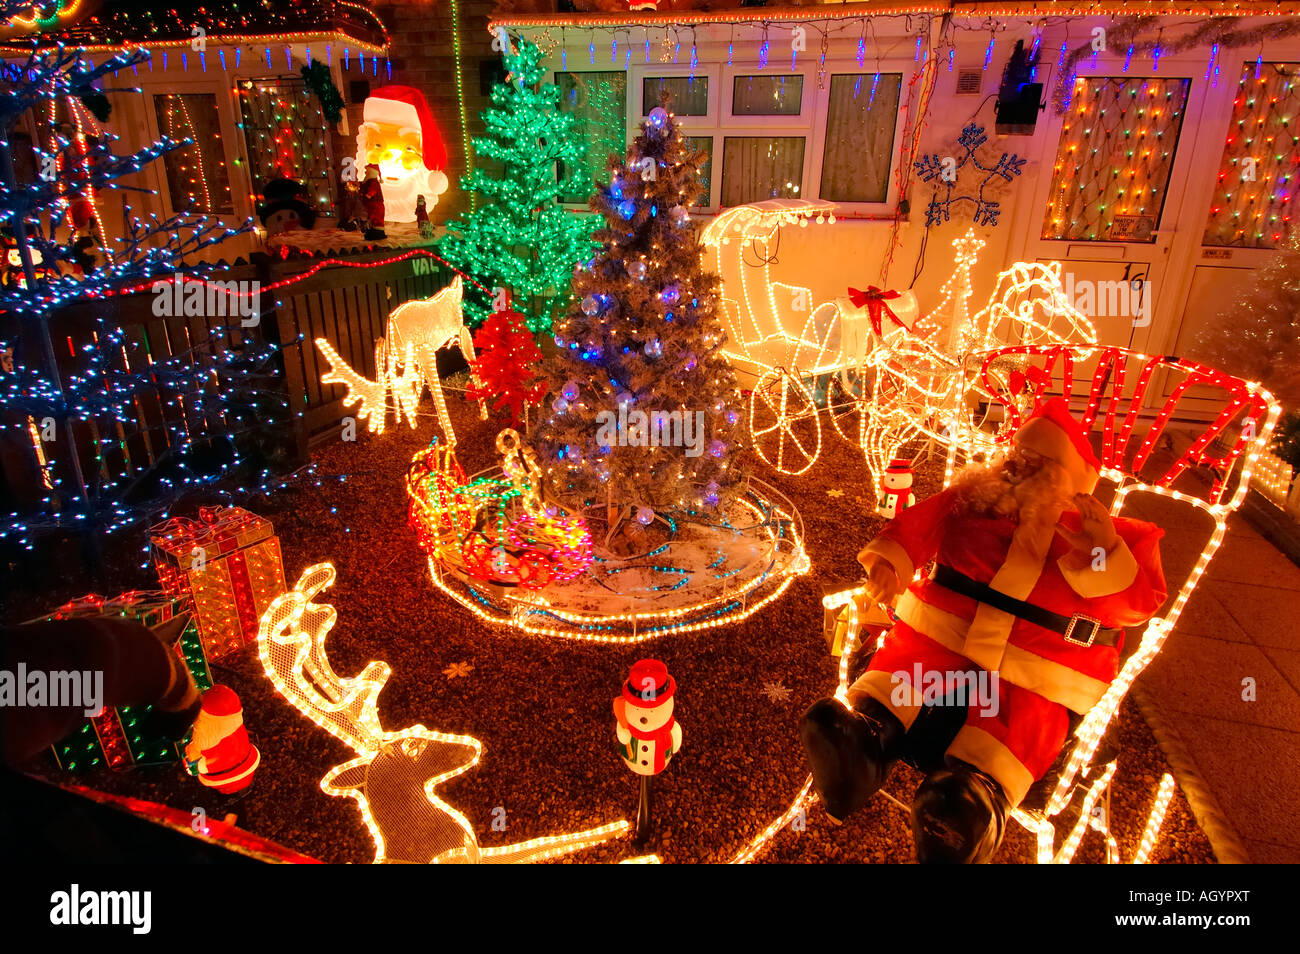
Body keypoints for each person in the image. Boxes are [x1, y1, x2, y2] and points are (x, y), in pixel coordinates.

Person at [800, 398, 1167, 862]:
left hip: (1036, 670)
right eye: (1016, 455)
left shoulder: (1119, 535)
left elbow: (1138, 604)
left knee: (1019, 724)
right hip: (939, 635)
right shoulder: (971, 501)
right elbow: (915, 527)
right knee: (903, 674)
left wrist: (1103, 550)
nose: (1019, 467)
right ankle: (862, 747)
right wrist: (891, 565)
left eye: (1038, 463)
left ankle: (970, 806)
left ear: (1070, 478)